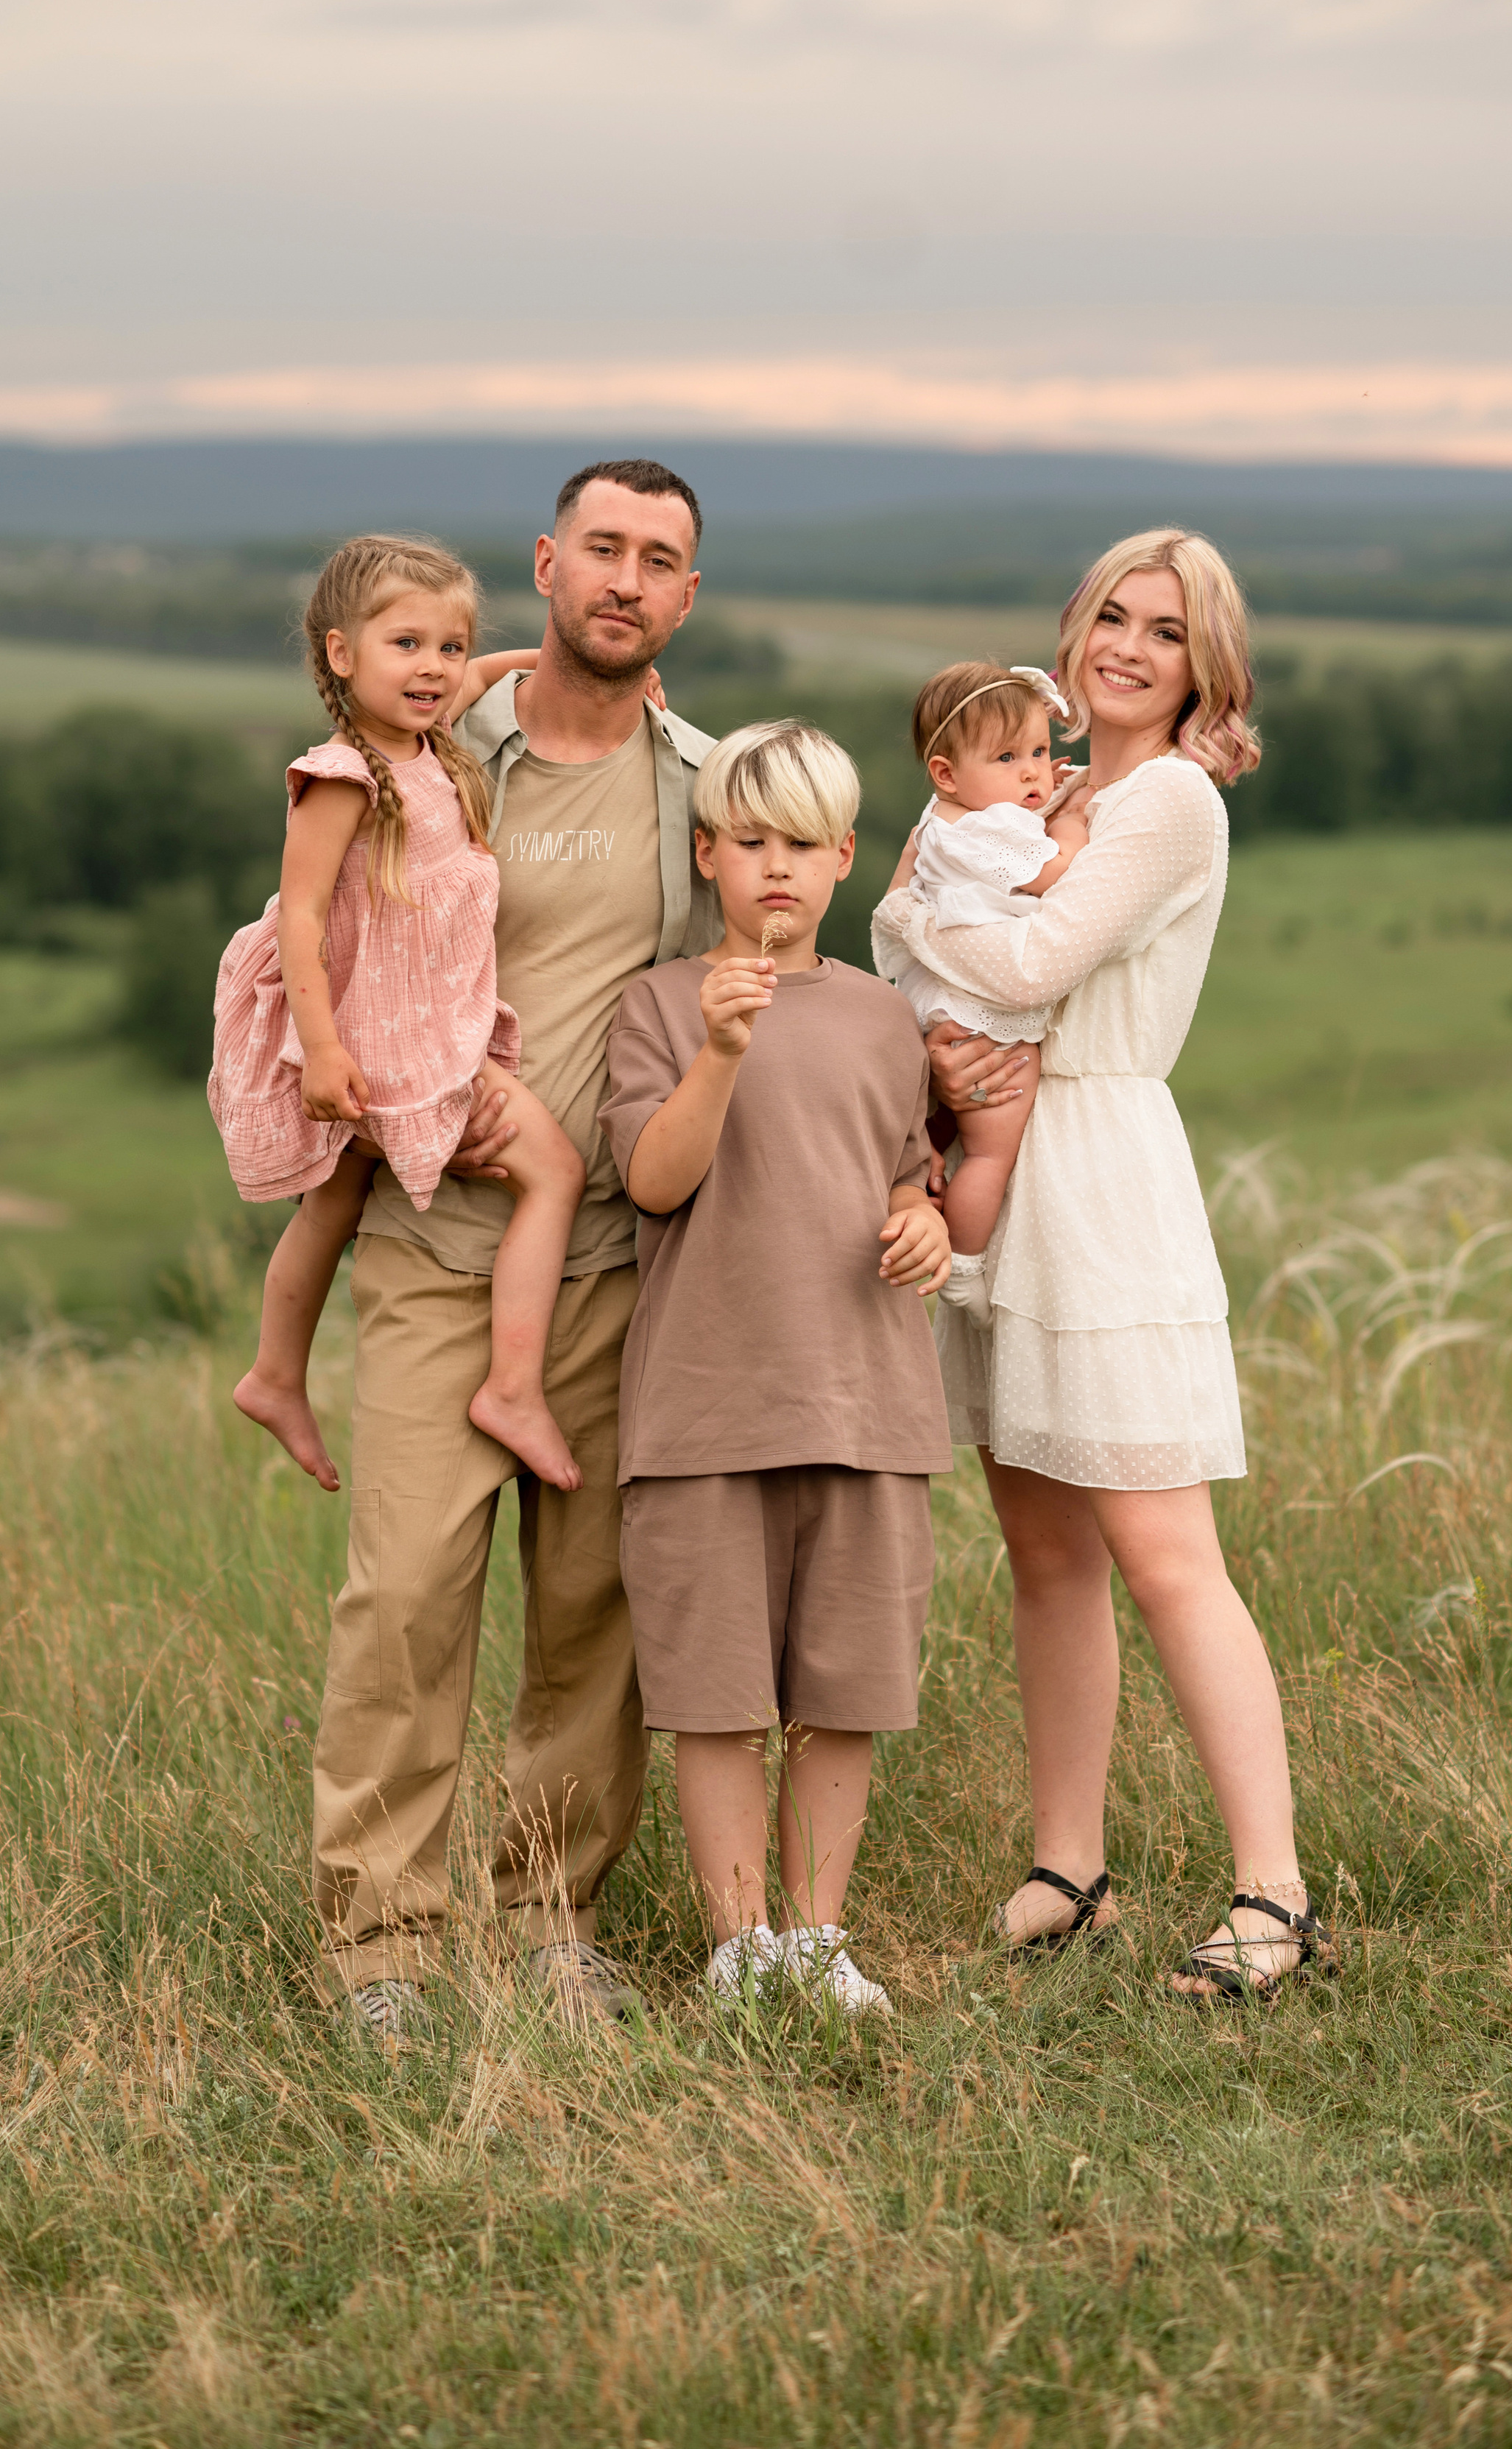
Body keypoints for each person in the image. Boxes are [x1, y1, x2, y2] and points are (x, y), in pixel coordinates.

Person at [872, 529, 1335, 2001]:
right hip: (999, 1172)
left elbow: (1008, 970)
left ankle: (1272, 1891)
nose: (1128, 647)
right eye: (1110, 617)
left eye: (1165, 630)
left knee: (1160, 1550)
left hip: (1098, 1180)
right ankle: (1067, 1867)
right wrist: (938, 959)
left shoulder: (1169, 803)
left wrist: (946, 944)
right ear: (1070, 633)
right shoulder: (1047, 788)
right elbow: (887, 931)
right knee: (1042, 1546)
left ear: (1206, 667)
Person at [307, 459, 719, 2037]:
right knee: (404, 1596)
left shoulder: (702, 780)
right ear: (546, 565)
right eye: (601, 547)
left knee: (593, 1610)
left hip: (621, 1258)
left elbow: (791, 932)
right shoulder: (424, 748)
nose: (625, 577)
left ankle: (549, 1920)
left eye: (659, 560)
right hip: (431, 1239)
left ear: (688, 599)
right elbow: (312, 937)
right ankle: (379, 1952)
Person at [600, 722, 955, 2019]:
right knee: (715, 1695)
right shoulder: (658, 1003)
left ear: (844, 859)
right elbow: (654, 1179)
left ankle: (816, 1937)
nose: (776, 868)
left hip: (868, 1405)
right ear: (707, 855)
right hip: (703, 1409)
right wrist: (719, 1050)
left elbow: (908, 1176)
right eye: (748, 842)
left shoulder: (881, 1017)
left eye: (802, 844)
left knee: (843, 1689)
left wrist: (933, 1218)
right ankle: (738, 1942)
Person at [209, 535, 587, 1498]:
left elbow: (468, 680)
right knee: (554, 1172)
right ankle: (512, 1386)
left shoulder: (423, 741)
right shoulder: (345, 775)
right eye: (406, 643)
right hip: (384, 1038)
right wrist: (322, 1053)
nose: (434, 668)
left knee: (333, 1201)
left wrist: (531, 664)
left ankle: (275, 1373)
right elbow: (299, 914)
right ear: (341, 653)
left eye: (450, 647)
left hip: (403, 1019)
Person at [876, 661, 1087, 1325]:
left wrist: (1032, 790)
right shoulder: (984, 832)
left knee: (969, 1147)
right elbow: (1052, 873)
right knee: (991, 1154)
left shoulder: (950, 819)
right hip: (984, 1023)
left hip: (950, 1006)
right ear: (946, 773)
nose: (1032, 771)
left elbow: (1013, 836)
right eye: (1007, 757)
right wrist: (1076, 815)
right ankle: (965, 1265)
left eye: (1040, 751)